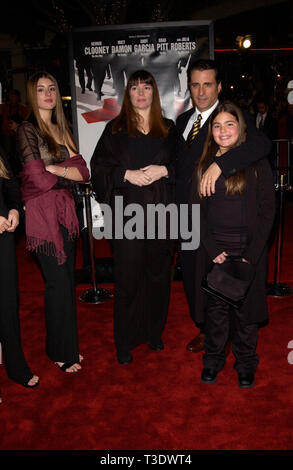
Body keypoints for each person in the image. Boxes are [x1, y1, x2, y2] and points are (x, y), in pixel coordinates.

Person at [175, 59, 272, 354]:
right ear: (189, 87)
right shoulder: (182, 122)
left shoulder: (232, 116)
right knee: (194, 275)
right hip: (188, 215)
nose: (201, 91)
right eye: (195, 84)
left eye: (208, 84)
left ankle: (230, 333)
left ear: (218, 86)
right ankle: (207, 329)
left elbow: (262, 146)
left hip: (220, 213)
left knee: (225, 273)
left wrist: (221, 164)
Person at [90, 69, 177, 365]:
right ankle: (125, 340)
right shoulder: (114, 129)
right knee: (127, 279)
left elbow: (185, 167)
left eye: (146, 87)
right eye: (135, 88)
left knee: (158, 277)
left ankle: (154, 332)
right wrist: (124, 175)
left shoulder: (168, 127)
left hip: (163, 217)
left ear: (154, 92)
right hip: (126, 217)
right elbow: (97, 169)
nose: (141, 93)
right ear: (128, 95)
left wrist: (164, 170)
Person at [192, 101, 275, 388]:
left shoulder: (256, 163)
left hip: (247, 254)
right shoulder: (203, 165)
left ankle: (246, 363)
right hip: (216, 254)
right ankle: (212, 361)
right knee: (215, 315)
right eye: (217, 125)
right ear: (210, 131)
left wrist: (252, 254)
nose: (223, 130)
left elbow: (268, 211)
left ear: (241, 129)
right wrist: (213, 250)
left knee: (246, 316)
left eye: (230, 124)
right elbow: (195, 213)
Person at [16, 71, 89, 373]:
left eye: (52, 88)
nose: (48, 94)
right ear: (33, 95)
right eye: (41, 89)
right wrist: (63, 170)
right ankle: (60, 352)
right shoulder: (26, 129)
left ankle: (66, 345)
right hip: (41, 216)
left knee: (66, 282)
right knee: (57, 283)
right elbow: (35, 178)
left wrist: (54, 169)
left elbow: (83, 172)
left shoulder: (63, 128)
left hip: (65, 212)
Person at [0, 148, 39, 403]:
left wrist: (15, 209)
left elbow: (10, 184)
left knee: (7, 302)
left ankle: (14, 364)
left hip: (3, 233)